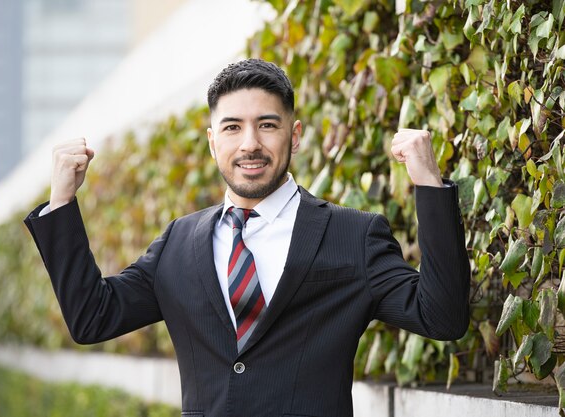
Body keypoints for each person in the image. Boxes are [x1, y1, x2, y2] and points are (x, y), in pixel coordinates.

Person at [24, 59, 470, 417]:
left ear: (294, 136)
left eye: (268, 125)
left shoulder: (353, 235)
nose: (250, 144)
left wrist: (429, 184)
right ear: (212, 142)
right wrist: (61, 202)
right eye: (233, 127)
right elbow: (92, 318)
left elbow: (442, 317)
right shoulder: (178, 243)